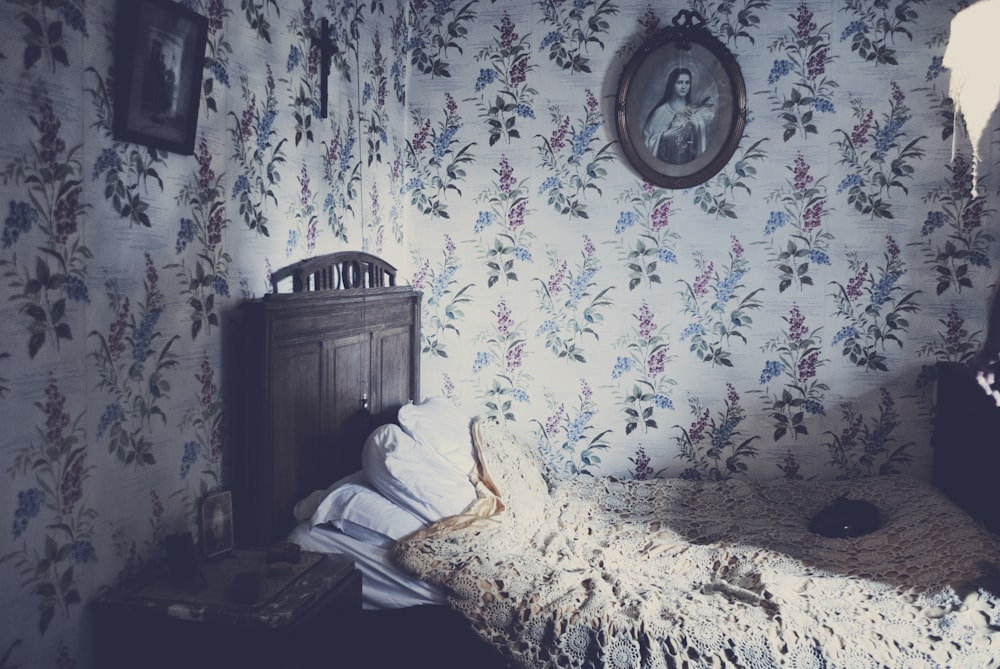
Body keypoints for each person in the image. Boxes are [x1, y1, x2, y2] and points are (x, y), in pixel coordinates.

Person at [642, 67, 715, 165]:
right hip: (666, 165)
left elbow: (701, 144)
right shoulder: (660, 112)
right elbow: (647, 142)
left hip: (689, 165)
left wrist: (695, 126)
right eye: (680, 82)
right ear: (672, 84)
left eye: (687, 82)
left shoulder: (694, 111)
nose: (684, 86)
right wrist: (664, 137)